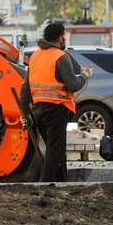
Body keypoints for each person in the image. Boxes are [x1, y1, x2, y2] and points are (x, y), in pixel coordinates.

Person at [21, 22, 89, 182]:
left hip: (38, 110)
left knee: (57, 149)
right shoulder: (61, 57)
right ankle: (46, 184)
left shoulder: (35, 56)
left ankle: (61, 181)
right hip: (57, 109)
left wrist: (25, 112)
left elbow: (25, 87)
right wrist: (84, 77)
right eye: (63, 36)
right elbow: (72, 85)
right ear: (59, 37)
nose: (64, 39)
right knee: (55, 151)